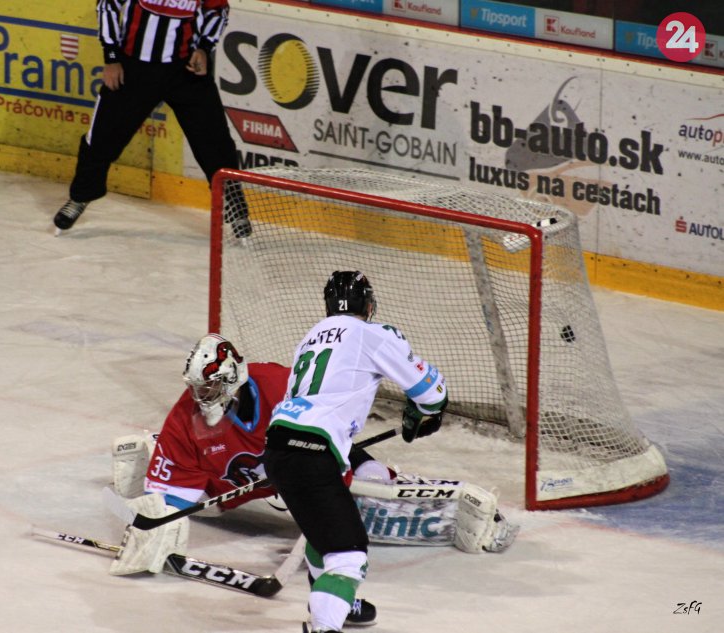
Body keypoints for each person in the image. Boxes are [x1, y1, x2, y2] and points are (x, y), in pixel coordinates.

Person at [109, 332, 517, 627]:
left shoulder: (281, 386)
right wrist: (153, 526)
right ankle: (152, 448)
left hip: (298, 463)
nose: (202, 395)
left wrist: (355, 466)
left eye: (212, 385)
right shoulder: (186, 419)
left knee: (371, 484)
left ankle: (448, 512)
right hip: (236, 486)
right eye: (198, 386)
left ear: (233, 378)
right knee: (218, 502)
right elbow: (171, 500)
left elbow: (332, 429)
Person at [262, 270, 449, 633]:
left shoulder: (310, 338)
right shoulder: (372, 333)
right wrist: (421, 414)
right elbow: (432, 394)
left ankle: (336, 605)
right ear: (369, 304)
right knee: (348, 557)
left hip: (278, 446)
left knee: (323, 536)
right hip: (313, 450)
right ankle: (325, 625)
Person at [52, 0, 251, 238]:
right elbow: (108, 5)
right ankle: (81, 197)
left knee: (215, 142)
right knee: (102, 137)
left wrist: (204, 48)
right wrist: (111, 58)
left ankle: (234, 206)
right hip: (133, 69)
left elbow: (218, 10)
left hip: (186, 71)